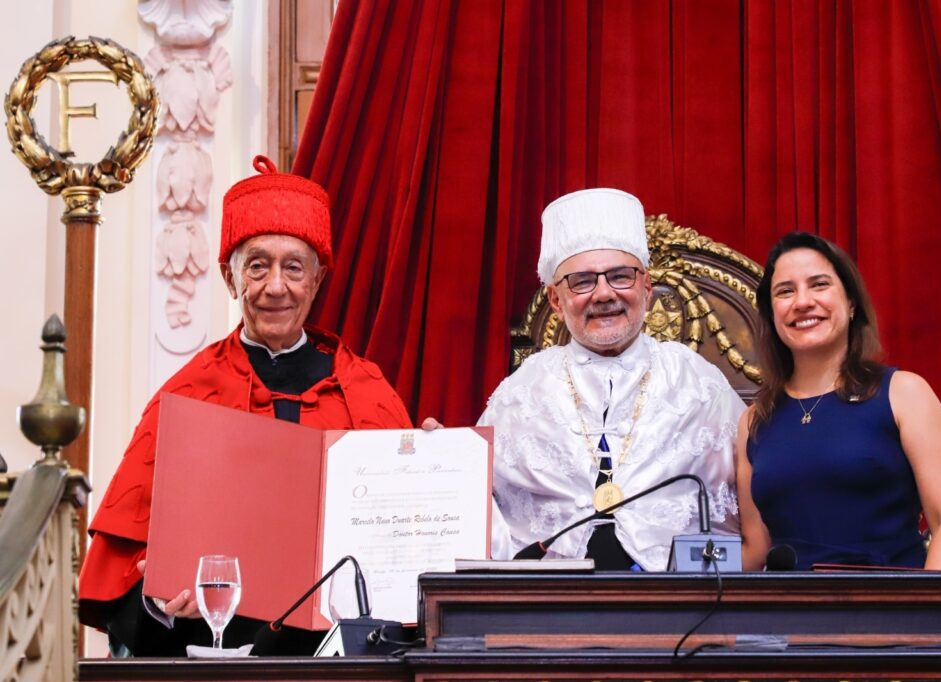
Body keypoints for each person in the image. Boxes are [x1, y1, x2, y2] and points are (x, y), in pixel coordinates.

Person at [78, 155, 413, 655]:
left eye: (293, 267)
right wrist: (159, 601)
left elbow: (412, 544)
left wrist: (430, 458)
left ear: (318, 279)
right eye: (257, 265)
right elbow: (125, 579)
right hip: (219, 658)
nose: (275, 286)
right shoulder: (187, 395)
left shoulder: (368, 392)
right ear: (231, 279)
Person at [480, 188, 745, 570]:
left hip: (679, 604)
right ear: (556, 300)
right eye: (582, 281)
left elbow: (751, 504)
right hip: (547, 605)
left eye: (620, 276)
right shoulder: (520, 392)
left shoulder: (698, 382)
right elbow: (475, 507)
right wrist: (445, 454)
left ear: (646, 289)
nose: (604, 294)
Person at [736, 232, 941, 571]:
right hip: (786, 614)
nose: (802, 302)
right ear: (772, 314)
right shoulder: (755, 419)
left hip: (889, 609)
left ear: (851, 302)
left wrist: (924, 616)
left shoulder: (903, 392)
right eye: (785, 291)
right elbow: (756, 551)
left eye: (819, 285)